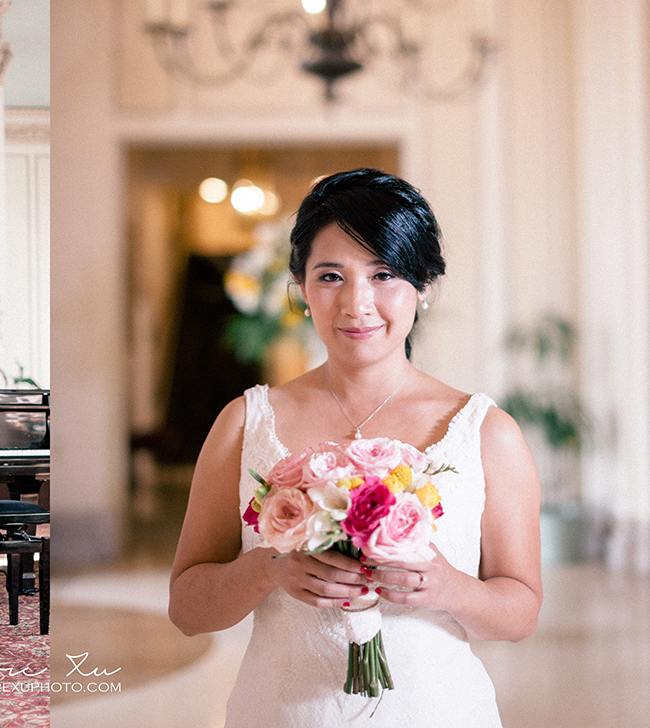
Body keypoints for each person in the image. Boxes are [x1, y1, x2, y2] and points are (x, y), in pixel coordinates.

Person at [169, 169, 542, 726]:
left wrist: (448, 588)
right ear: (300, 289)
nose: (356, 303)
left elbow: (521, 613)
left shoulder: (486, 433)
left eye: (384, 273)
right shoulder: (244, 424)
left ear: (424, 286)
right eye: (330, 276)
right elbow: (186, 610)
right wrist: (269, 569)